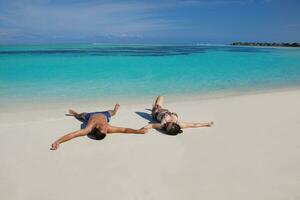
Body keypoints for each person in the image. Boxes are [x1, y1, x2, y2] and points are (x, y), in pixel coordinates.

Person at [51, 104, 148, 150]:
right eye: (106, 129)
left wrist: (58, 142)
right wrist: (139, 131)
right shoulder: (108, 128)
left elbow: (73, 135)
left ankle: (76, 114)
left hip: (90, 116)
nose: (106, 127)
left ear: (97, 127)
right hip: (105, 114)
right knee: (112, 113)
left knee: (81, 116)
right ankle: (115, 110)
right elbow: (124, 130)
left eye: (104, 128)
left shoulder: (88, 128)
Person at [146, 96, 213, 135]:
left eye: (166, 128)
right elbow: (193, 125)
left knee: (161, 96)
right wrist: (207, 124)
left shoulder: (162, 125)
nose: (166, 126)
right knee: (162, 97)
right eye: (168, 125)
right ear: (174, 124)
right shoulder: (180, 124)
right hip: (164, 111)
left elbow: (151, 125)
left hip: (156, 111)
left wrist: (144, 128)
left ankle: (153, 107)